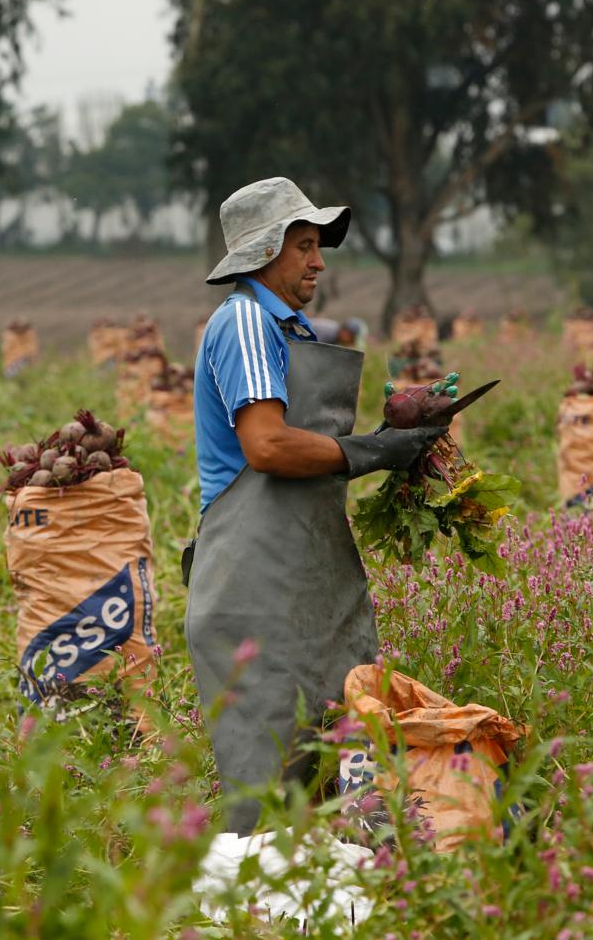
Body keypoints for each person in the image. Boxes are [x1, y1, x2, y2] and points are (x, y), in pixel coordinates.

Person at [185, 177, 445, 834]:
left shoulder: (284, 327)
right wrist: (370, 451)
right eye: (304, 245)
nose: (318, 261)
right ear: (264, 253)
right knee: (268, 789)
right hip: (254, 581)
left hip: (293, 576)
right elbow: (268, 445)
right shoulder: (244, 319)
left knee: (329, 759)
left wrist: (390, 442)